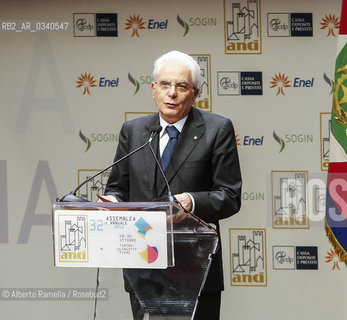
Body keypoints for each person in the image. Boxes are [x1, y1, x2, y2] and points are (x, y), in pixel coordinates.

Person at [103, 50, 242, 320]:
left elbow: (229, 196)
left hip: (195, 267)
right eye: (165, 85)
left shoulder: (217, 130)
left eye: (181, 86)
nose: (172, 93)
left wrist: (192, 201)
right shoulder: (133, 132)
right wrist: (112, 203)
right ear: (153, 89)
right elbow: (117, 188)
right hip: (142, 265)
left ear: (195, 93)